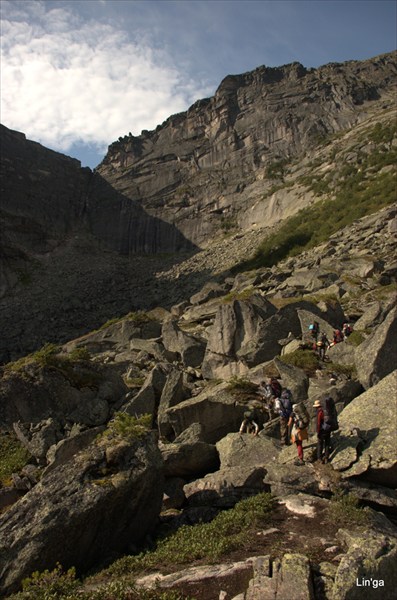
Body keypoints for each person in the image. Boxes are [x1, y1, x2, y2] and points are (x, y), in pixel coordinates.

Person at [313, 399, 331, 463]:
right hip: (328, 429)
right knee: (327, 443)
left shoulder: (319, 412)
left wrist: (318, 432)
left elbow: (318, 423)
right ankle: (326, 458)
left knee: (320, 444)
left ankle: (319, 458)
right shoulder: (326, 410)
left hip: (322, 430)